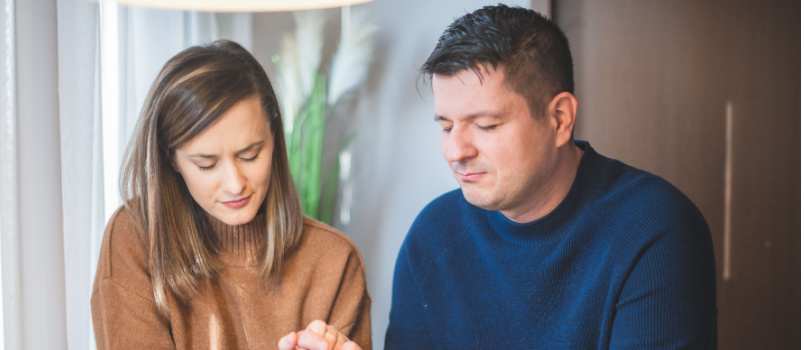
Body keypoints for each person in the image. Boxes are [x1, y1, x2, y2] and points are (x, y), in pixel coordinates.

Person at [383, 4, 718, 349]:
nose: (456, 152)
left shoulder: (654, 229)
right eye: (446, 127)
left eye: (486, 125)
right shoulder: (433, 235)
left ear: (560, 119)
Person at [91, 40, 370, 349]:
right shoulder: (137, 239)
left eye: (250, 155)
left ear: (274, 135)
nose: (235, 184)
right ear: (171, 158)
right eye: (206, 164)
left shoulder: (335, 261)